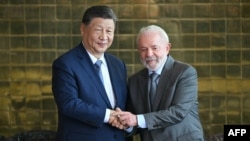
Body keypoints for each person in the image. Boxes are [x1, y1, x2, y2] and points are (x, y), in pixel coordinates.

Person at [112, 25, 205, 141]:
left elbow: (178, 112)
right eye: (143, 49)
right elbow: (137, 120)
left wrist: (136, 120)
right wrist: (126, 123)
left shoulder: (185, 73)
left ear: (167, 48)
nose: (149, 54)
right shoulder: (134, 81)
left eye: (154, 48)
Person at [52, 5, 128, 141]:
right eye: (98, 30)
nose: (104, 37)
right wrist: (108, 115)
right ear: (83, 29)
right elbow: (69, 104)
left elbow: (123, 105)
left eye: (109, 31)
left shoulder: (118, 65)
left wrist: (127, 121)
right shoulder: (65, 64)